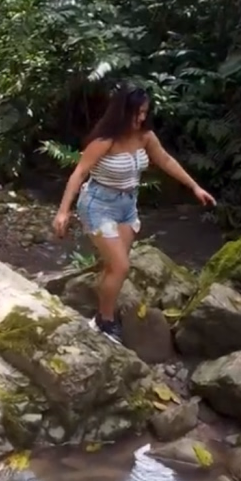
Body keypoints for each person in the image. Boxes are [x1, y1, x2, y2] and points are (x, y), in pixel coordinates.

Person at [52, 84, 216, 344]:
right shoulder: (104, 142)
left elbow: (166, 161)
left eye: (144, 113)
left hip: (127, 206)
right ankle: (106, 322)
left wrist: (194, 187)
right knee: (121, 266)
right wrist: (63, 211)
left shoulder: (145, 137)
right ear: (121, 112)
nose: (140, 118)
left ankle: (99, 316)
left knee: (113, 266)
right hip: (98, 205)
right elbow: (79, 173)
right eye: (136, 113)